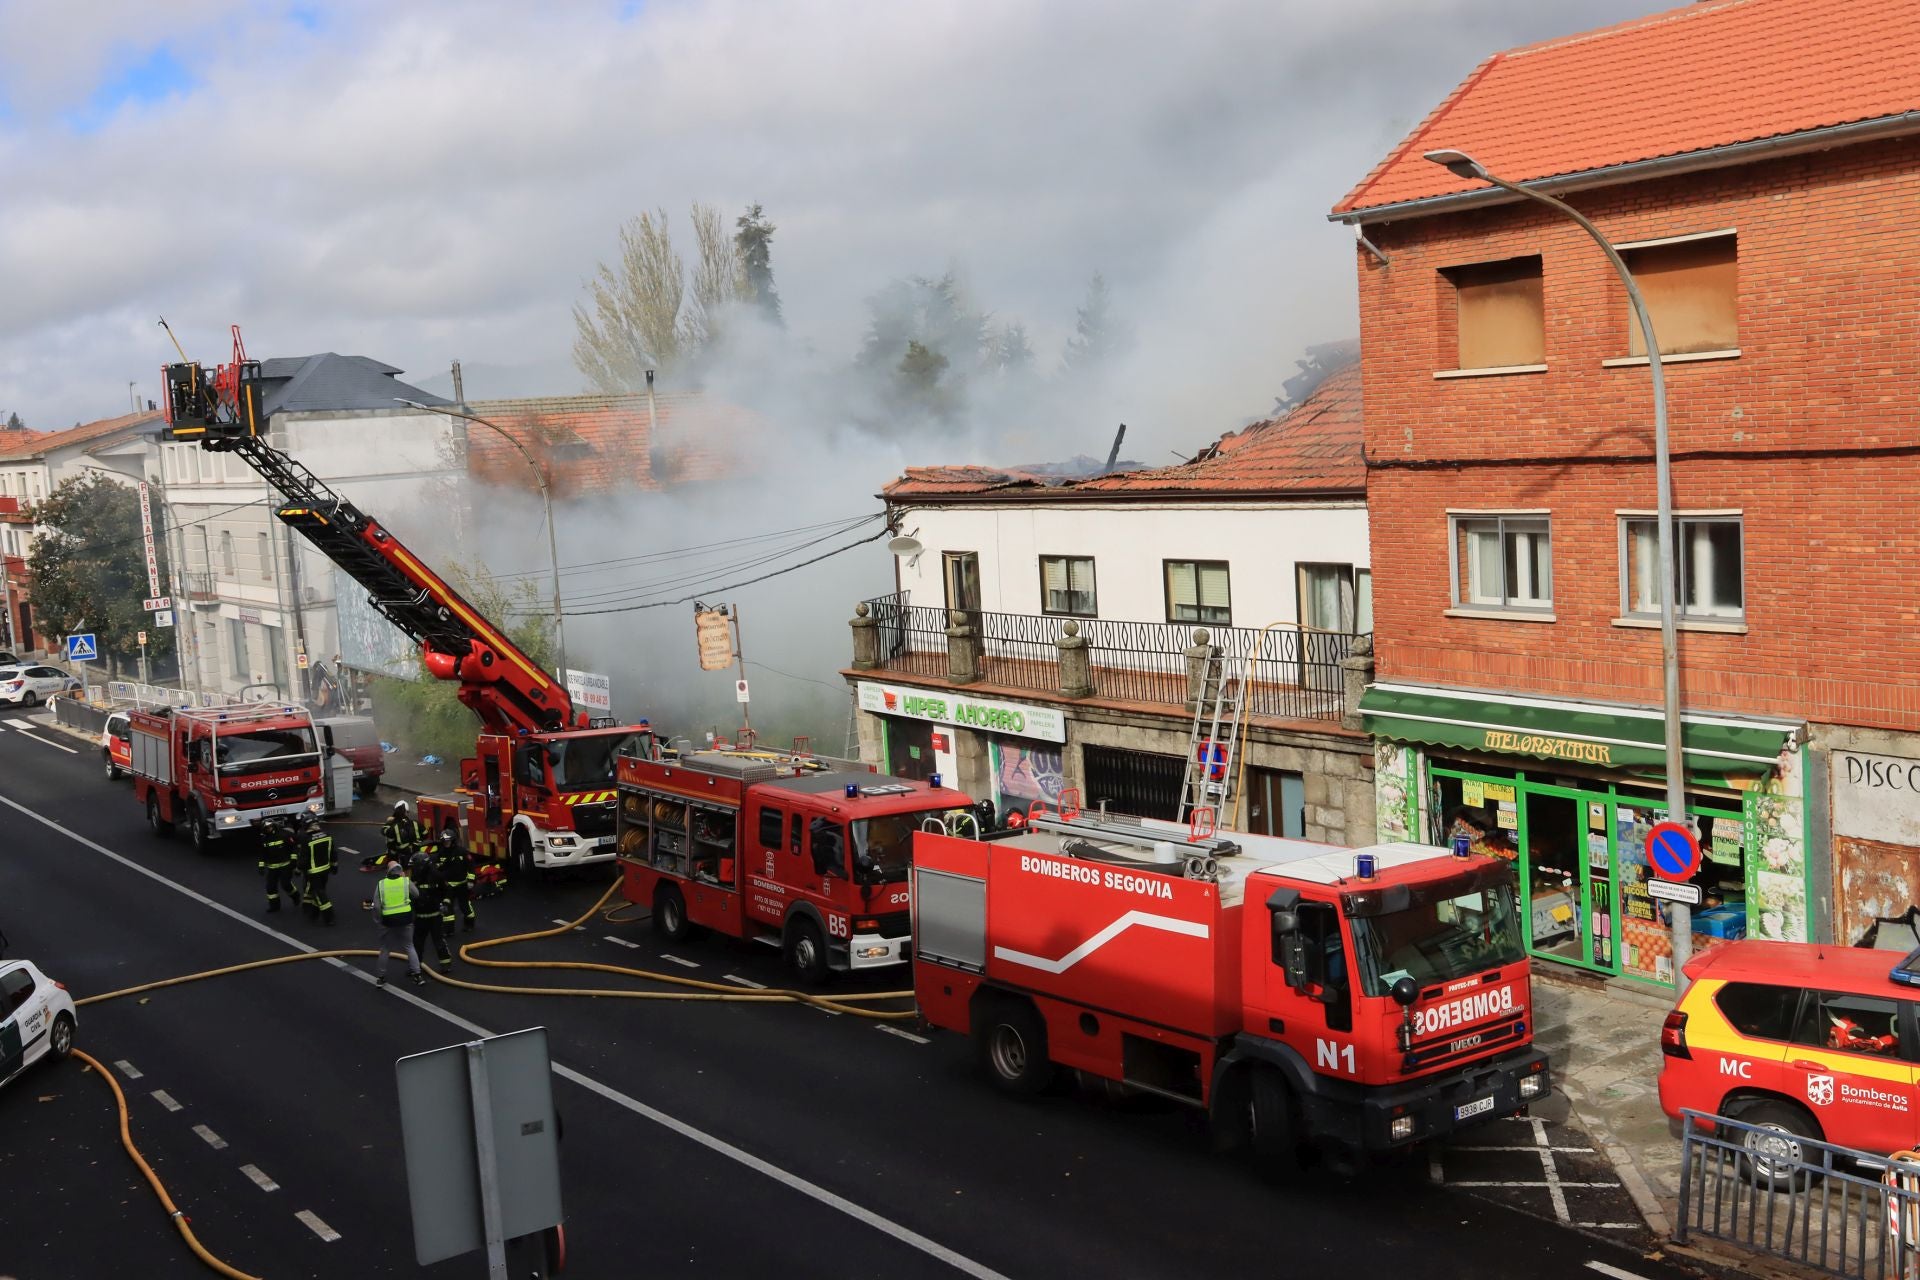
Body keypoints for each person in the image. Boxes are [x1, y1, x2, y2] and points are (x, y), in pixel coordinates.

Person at [364, 862, 422, 987]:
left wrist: (380, 920)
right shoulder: (405, 881)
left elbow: (377, 906)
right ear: (400, 871)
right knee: (409, 946)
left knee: (385, 948)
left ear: (388, 872)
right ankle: (417, 975)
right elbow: (416, 894)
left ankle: (381, 977)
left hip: (388, 921)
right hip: (406, 919)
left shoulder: (381, 884)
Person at [408, 846, 454, 971]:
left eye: (414, 866)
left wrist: (445, 903)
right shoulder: (413, 878)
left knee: (439, 941)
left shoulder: (436, 875)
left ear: (421, 866)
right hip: (420, 917)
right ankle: (415, 967)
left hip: (435, 916)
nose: (412, 869)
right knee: (417, 944)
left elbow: (448, 890)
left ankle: (446, 964)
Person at [437, 826, 479, 932]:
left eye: (448, 841)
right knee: (447, 908)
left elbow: (471, 866)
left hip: (462, 884)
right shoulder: (441, 853)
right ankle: (448, 929)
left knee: (465, 906)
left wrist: (471, 880)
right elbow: (438, 870)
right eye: (444, 842)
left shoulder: (462, 852)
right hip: (448, 886)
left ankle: (469, 924)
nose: (446, 844)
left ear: (453, 840)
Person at [299, 817, 337, 925]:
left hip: (313, 872)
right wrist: (334, 866)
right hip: (325, 870)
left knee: (319, 894)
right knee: (320, 891)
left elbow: (304, 858)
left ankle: (329, 917)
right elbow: (333, 852)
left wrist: (299, 868)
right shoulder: (327, 835)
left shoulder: (307, 839)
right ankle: (314, 913)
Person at [368, 800, 421, 872]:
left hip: (397, 852)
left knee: (398, 869)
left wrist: (389, 824)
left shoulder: (393, 824)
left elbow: (384, 832)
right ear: (407, 812)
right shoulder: (413, 823)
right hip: (413, 852)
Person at [258, 818, 296, 915]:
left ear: (273, 826)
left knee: (286, 885)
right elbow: (262, 854)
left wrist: (294, 861)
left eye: (269, 827)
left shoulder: (284, 835)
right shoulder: (264, 839)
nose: (268, 829)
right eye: (266, 828)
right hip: (272, 868)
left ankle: (295, 896)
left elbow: (293, 848)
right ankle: (274, 906)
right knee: (270, 887)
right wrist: (261, 866)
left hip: (285, 866)